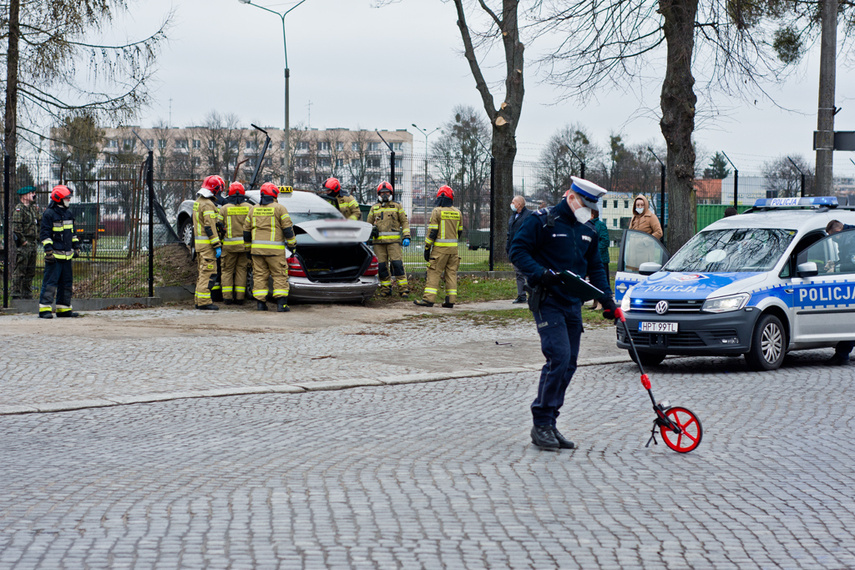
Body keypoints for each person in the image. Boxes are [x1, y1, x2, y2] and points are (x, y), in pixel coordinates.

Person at [509, 177, 618, 451]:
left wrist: (608, 301)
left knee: (569, 364)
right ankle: (541, 423)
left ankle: (551, 421)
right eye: (585, 204)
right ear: (570, 197)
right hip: (548, 300)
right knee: (558, 357)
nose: (589, 211)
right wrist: (540, 274)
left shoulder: (589, 229)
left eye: (592, 207)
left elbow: (595, 268)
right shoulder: (542, 220)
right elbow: (517, 251)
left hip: (573, 303)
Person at [245, 182, 297, 312]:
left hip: (257, 251)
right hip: (275, 252)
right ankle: (281, 305)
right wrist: (292, 245)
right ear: (274, 194)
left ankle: (261, 305)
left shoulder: (253, 209)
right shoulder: (280, 208)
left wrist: (248, 249)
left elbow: (246, 231)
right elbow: (287, 229)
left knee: (259, 276)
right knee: (279, 275)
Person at [414, 185, 462, 308]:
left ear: (441, 197)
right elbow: (460, 232)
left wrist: (427, 247)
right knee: (451, 274)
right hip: (454, 250)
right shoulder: (458, 213)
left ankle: (428, 299)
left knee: (433, 272)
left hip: (440, 250)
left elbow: (433, 232)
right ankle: (450, 300)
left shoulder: (437, 211)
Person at [37, 185, 81, 318]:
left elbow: (72, 233)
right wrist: (48, 251)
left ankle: (64, 309)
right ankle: (44, 309)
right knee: (50, 283)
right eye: (66, 197)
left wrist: (76, 246)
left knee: (66, 283)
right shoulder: (49, 214)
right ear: (59, 198)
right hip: (55, 256)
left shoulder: (68, 213)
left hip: (67, 255)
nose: (68, 200)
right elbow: (45, 234)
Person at [367, 181, 411, 297]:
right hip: (378, 244)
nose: (384, 194)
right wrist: (368, 234)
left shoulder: (397, 206)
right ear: (379, 194)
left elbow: (404, 222)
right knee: (382, 267)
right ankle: (386, 289)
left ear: (391, 193)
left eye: (387, 192)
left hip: (394, 243)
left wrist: (406, 236)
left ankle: (404, 289)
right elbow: (368, 225)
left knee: (397, 265)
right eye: (382, 193)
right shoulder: (374, 208)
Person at [825, 219, 855, 365]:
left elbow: (852, 263)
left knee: (850, 320)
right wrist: (836, 264)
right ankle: (842, 354)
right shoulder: (847, 237)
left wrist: (836, 268)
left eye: (833, 238)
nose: (835, 243)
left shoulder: (850, 239)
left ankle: (842, 355)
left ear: (837, 232)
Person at [192, 175, 225, 310]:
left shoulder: (198, 202)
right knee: (208, 273)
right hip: (208, 246)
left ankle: (199, 300)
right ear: (215, 189)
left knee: (202, 273)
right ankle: (204, 302)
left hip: (200, 245)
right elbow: (209, 227)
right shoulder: (208, 205)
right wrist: (217, 245)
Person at [219, 181, 252, 305]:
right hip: (244, 246)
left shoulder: (224, 208)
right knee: (242, 270)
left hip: (229, 247)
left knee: (227, 271)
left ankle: (227, 298)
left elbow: (219, 226)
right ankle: (240, 298)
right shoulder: (249, 208)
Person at [11, 185, 40, 299]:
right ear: (24, 196)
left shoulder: (32, 209)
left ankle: (27, 294)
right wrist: (23, 242)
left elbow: (38, 221)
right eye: (31, 193)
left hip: (33, 243)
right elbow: (17, 228)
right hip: (25, 243)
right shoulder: (19, 209)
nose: (34, 195)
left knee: (30, 270)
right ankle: (16, 294)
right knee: (20, 269)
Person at [506, 195, 533, 304]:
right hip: (515, 248)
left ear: (519, 204)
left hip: (525, 248)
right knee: (518, 273)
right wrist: (508, 246)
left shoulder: (529, 215)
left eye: (513, 202)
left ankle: (533, 293)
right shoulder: (513, 216)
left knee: (527, 272)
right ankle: (521, 295)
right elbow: (510, 232)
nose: (511, 204)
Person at [586, 206, 611, 310]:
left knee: (602, 280)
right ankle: (595, 302)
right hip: (591, 258)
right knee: (593, 282)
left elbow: (605, 241)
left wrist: (595, 251)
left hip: (601, 259)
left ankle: (601, 303)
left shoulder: (600, 225)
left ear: (592, 215)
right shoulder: (587, 225)